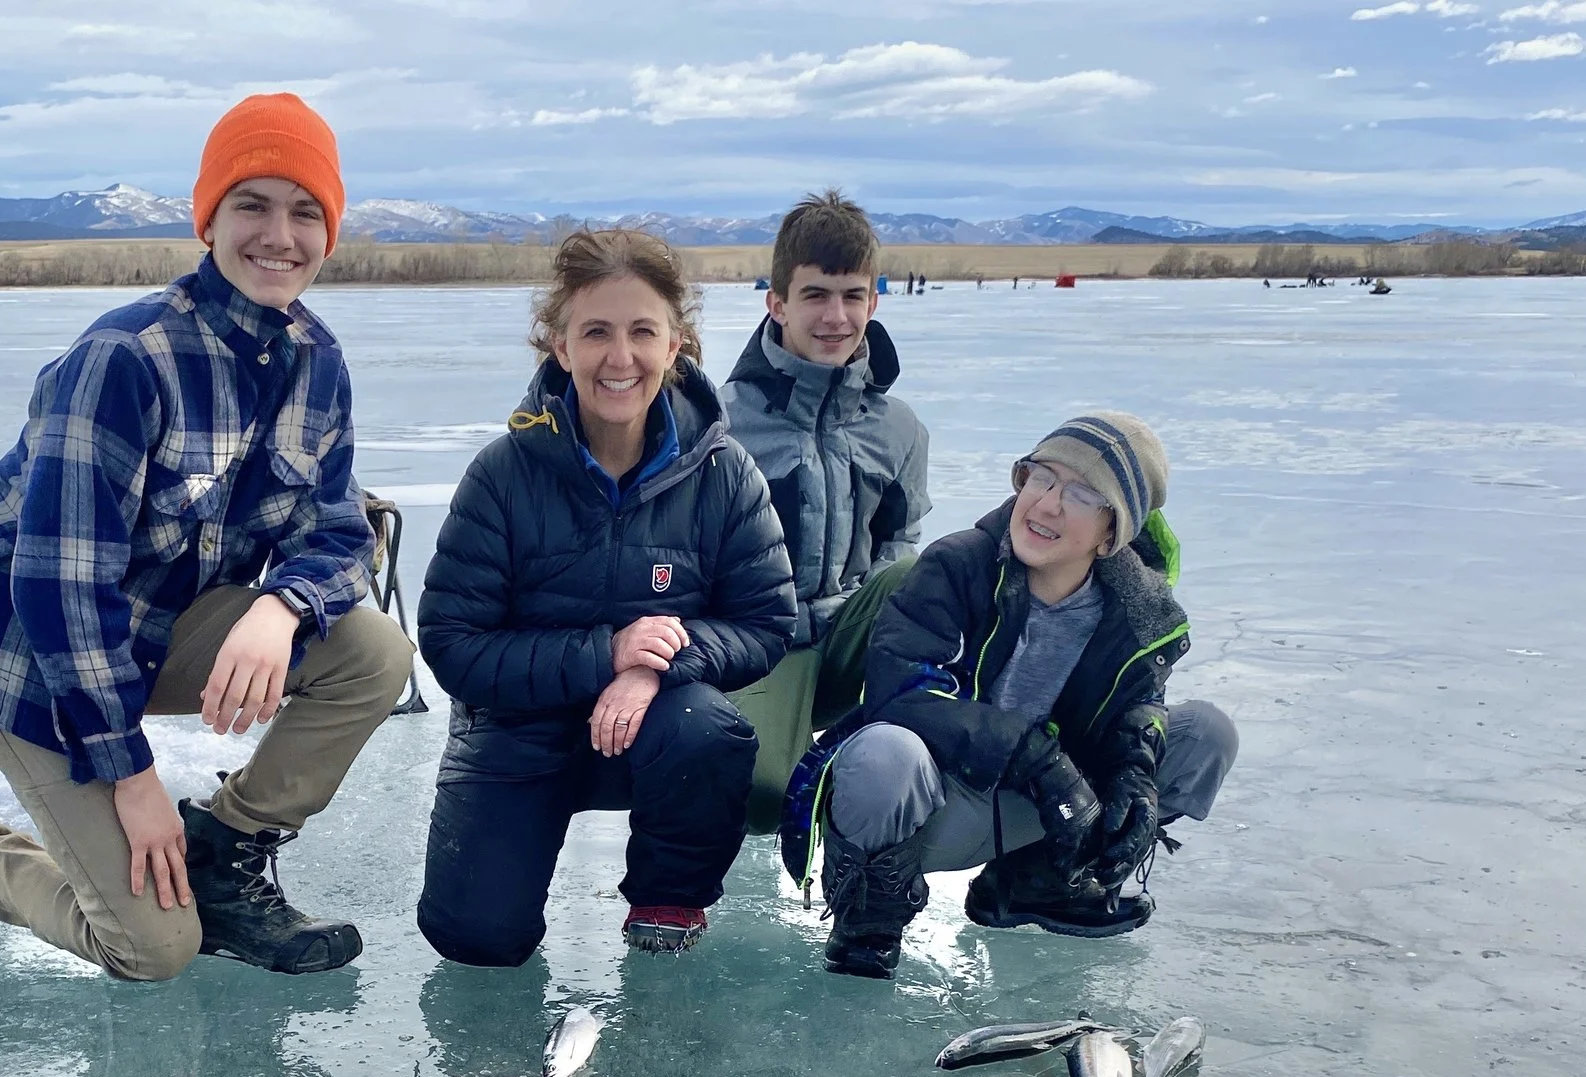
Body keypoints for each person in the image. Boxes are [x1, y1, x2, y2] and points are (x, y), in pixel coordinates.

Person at [0, 92, 410, 981]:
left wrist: (280, 605)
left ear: (331, 230)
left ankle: (225, 855)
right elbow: (61, 591)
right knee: (152, 948)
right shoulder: (124, 358)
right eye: (252, 205)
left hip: (159, 633)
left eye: (305, 210)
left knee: (370, 650)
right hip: (31, 664)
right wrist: (132, 776)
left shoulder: (318, 364)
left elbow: (340, 534)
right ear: (210, 219)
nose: (280, 234)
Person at [414, 229, 795, 965]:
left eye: (642, 332)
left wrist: (654, 662)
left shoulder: (724, 472)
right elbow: (453, 643)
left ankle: (667, 897)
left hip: (659, 724)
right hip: (517, 727)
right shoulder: (503, 474)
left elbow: (766, 619)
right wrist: (606, 652)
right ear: (561, 347)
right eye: (596, 333)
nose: (620, 359)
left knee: (707, 731)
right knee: (476, 940)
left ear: (676, 343)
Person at [790, 412, 1237, 977]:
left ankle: (1046, 880)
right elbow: (901, 695)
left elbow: (1137, 710)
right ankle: (868, 924)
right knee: (883, 753)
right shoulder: (955, 567)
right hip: (939, 805)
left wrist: (1134, 779)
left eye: (1080, 494)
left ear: (1111, 533)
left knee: (1205, 733)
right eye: (1041, 477)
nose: (1047, 504)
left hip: (1048, 810)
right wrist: (1035, 757)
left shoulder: (1140, 612)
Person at [722, 190, 930, 832]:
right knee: (758, 793)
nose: (835, 316)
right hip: (762, 642)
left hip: (851, 635)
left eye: (852, 296)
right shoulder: (721, 423)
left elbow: (900, 541)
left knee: (931, 572)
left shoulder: (900, 429)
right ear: (777, 302)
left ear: (874, 300)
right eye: (815, 295)